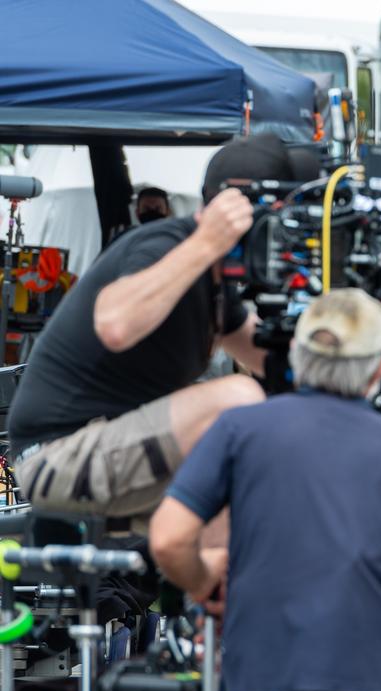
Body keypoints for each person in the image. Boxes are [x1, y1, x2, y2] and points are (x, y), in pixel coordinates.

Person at [149, 289, 381, 691]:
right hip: (368, 688)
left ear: (294, 354)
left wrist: (203, 581)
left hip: (260, 681)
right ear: (380, 368)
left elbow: (169, 540)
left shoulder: (239, 429)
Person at [4, 133, 321, 529]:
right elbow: (115, 325)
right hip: (55, 455)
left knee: (252, 511)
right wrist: (207, 242)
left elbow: (276, 359)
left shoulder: (218, 289)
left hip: (109, 448)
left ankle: (217, 587)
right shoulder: (166, 245)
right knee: (238, 397)